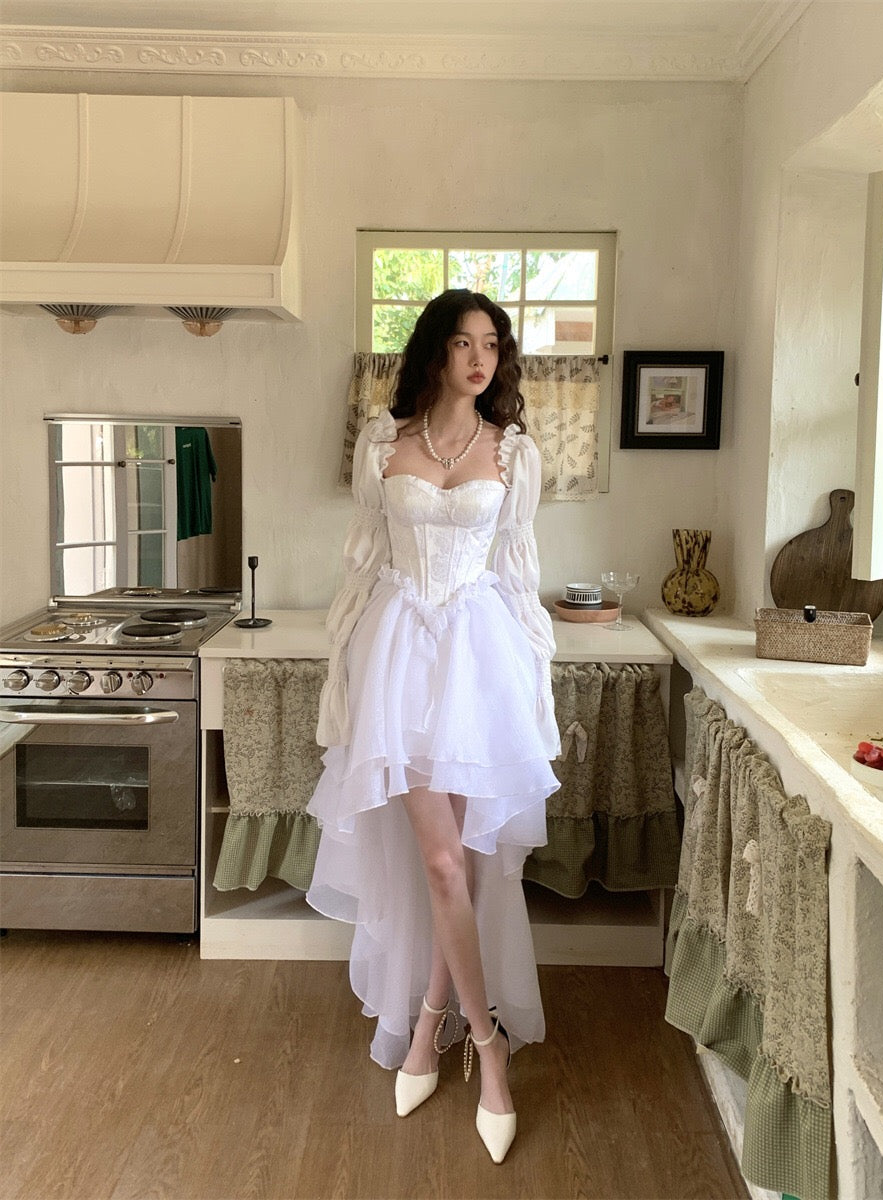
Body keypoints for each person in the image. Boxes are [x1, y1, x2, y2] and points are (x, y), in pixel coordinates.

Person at [307, 288, 560, 1164]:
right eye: (461, 343)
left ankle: (428, 1025)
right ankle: (486, 1049)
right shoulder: (384, 445)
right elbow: (364, 561)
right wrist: (344, 670)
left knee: (469, 863)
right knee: (444, 862)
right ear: (434, 352)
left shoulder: (513, 452)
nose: (479, 358)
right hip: (401, 661)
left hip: (480, 665)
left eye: (491, 343)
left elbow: (519, 573)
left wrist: (535, 685)